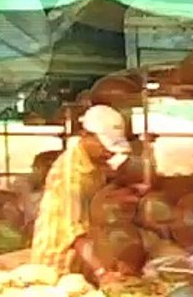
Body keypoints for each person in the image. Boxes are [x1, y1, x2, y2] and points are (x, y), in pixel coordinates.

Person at [30, 105, 133, 285]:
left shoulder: (94, 165)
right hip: (56, 266)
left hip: (82, 262)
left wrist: (113, 262)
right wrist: (101, 272)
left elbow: (94, 215)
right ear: (86, 135)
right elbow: (75, 232)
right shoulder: (70, 175)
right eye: (104, 146)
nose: (109, 153)